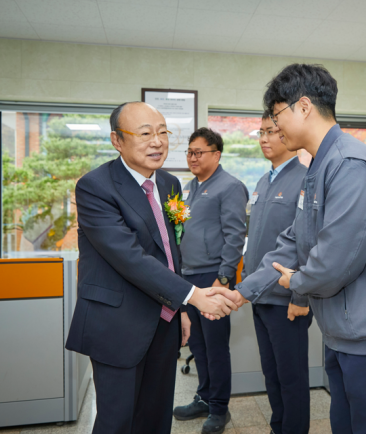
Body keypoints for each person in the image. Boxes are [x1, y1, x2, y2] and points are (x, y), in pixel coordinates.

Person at [219, 64, 366, 434]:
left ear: (305, 107)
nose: (275, 127)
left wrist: (295, 282)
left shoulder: (349, 165)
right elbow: (293, 241)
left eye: (278, 115)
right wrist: (242, 292)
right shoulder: (318, 167)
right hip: (344, 332)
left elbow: (334, 264)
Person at [65, 102, 238, 434]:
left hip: (164, 320)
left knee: (156, 419)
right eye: (145, 133)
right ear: (117, 140)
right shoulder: (95, 187)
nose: (157, 141)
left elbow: (170, 252)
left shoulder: (169, 184)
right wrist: (194, 297)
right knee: (117, 422)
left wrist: (181, 310)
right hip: (117, 324)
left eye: (162, 132)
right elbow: (130, 257)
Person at [172, 127, 248, 434]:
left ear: (216, 154)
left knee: (216, 347)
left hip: (212, 276)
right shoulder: (187, 188)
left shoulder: (229, 186)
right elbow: (178, 233)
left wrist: (224, 278)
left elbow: (235, 235)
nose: (192, 157)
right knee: (199, 345)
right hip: (189, 278)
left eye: (198, 152)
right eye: (189, 152)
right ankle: (203, 397)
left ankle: (219, 408)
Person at [242, 111, 313, 434]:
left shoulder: (305, 179)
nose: (265, 139)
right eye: (261, 133)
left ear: (286, 135)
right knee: (271, 374)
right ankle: (278, 427)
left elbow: (308, 245)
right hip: (260, 295)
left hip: (287, 298)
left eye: (272, 132)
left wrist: (301, 295)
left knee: (292, 377)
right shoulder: (261, 181)